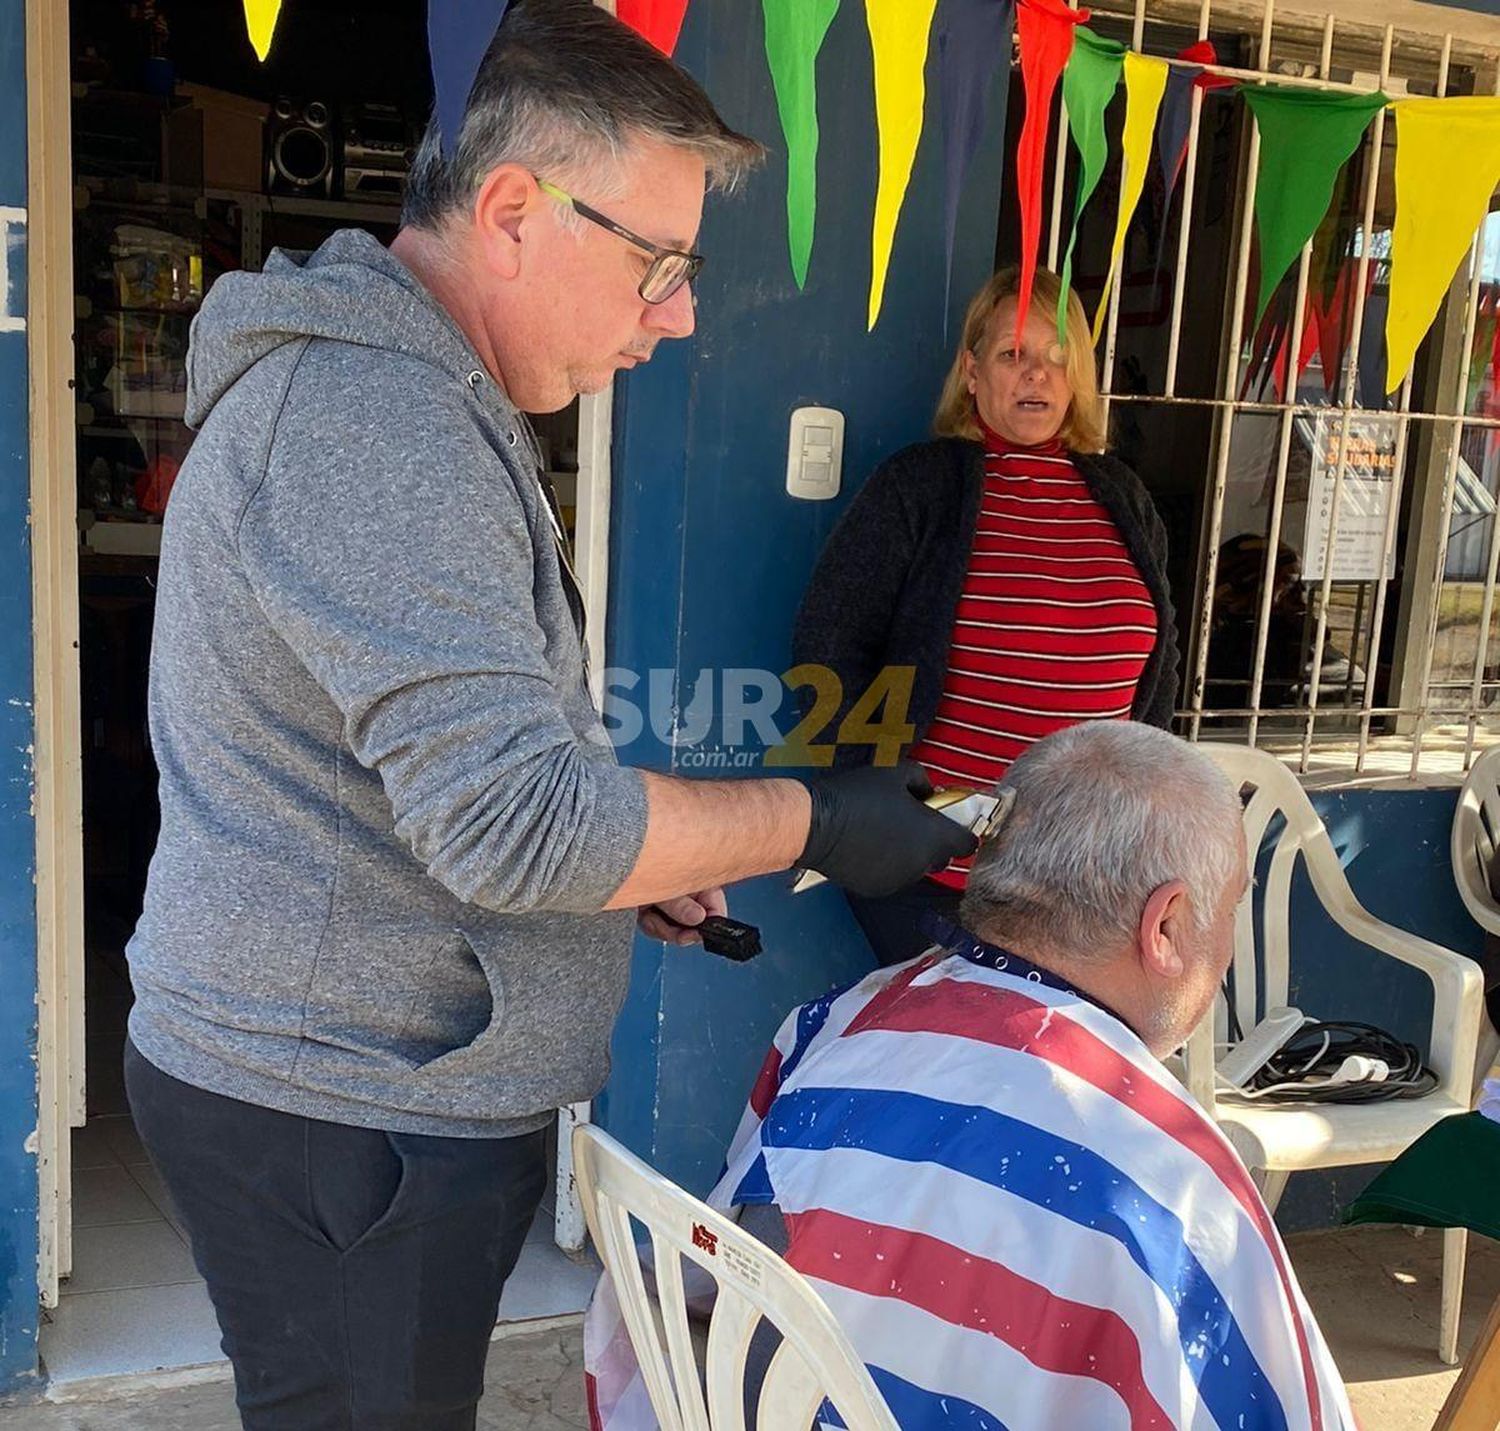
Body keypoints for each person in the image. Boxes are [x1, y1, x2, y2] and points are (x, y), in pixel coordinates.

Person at [122, 4, 974, 1427]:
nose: (685, 311)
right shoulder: (374, 418)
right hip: (345, 1112)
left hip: (359, 1090)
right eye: (663, 264)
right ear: (512, 208)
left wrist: (629, 860)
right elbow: (520, 824)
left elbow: (467, 782)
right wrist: (819, 816)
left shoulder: (411, 398)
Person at [586, 722, 1358, 1431]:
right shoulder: (1175, 1186)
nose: (1224, 950)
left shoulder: (831, 1026)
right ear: (1164, 925)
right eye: (1229, 908)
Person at [793, 265, 1181, 967]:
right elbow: (828, 648)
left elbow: (1162, 671)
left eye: (1057, 357)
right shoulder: (920, 486)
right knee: (955, 1067)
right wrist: (874, 804)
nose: (1037, 375)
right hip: (937, 882)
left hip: (1087, 878)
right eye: (1013, 354)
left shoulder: (1122, 497)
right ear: (972, 372)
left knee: (1055, 1071)